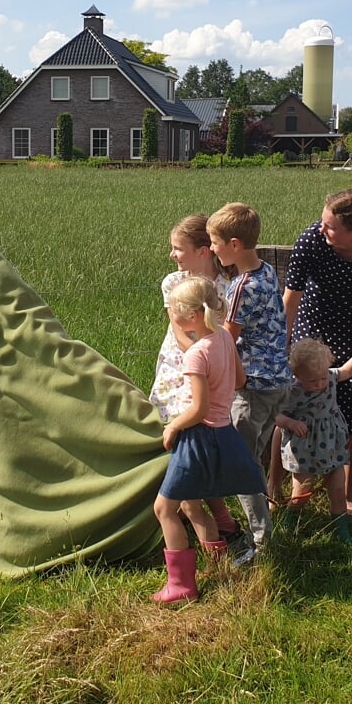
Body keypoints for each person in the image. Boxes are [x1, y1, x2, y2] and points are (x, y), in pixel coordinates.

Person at [150, 277, 266, 604]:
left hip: (198, 438)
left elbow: (198, 409)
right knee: (190, 502)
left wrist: (173, 427)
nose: (171, 314)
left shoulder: (196, 355)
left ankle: (181, 586)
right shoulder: (224, 339)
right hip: (223, 432)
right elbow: (240, 379)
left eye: (174, 310)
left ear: (190, 316)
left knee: (165, 509)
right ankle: (218, 566)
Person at [283, 188, 352, 519]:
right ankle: (288, 487)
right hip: (310, 325)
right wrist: (281, 347)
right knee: (296, 401)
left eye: (330, 226)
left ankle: (346, 496)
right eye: (322, 222)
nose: (321, 229)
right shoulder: (311, 241)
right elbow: (290, 299)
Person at [147, 214, 245, 550]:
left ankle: (209, 521)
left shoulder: (226, 288)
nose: (173, 255)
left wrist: (207, 361)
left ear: (203, 251)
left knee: (193, 438)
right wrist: (200, 356)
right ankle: (218, 522)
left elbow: (224, 335)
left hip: (207, 370)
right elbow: (177, 327)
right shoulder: (172, 283)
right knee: (181, 440)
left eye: (179, 248)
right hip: (179, 366)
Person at [208, 202, 293, 553]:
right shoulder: (268, 271)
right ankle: (262, 525)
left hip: (252, 384)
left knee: (242, 465)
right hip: (279, 381)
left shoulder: (241, 287)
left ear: (234, 244)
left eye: (214, 243)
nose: (211, 249)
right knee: (253, 457)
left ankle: (261, 541)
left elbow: (227, 338)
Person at [274, 339, 352, 545]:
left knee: (337, 489)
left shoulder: (329, 377)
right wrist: (290, 423)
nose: (319, 384)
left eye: (322, 377)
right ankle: (289, 522)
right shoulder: (291, 390)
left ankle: (341, 531)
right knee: (302, 491)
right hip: (304, 447)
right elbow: (275, 415)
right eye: (311, 380)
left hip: (331, 443)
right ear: (297, 375)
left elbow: (346, 371)